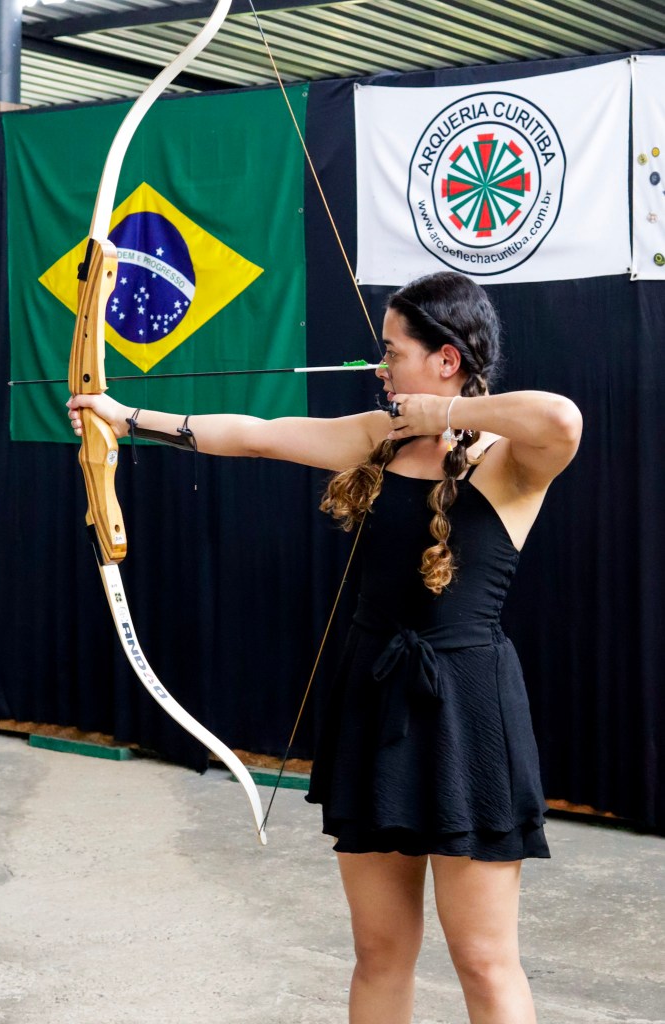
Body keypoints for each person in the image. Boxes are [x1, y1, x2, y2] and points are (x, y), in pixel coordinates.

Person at [68, 271, 582, 1024]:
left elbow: (562, 417)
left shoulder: (510, 457)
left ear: (445, 359)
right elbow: (257, 435)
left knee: (483, 959)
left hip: (469, 714)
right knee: (379, 952)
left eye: (392, 351)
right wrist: (126, 417)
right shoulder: (378, 436)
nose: (381, 366)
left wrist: (447, 414)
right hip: (374, 703)